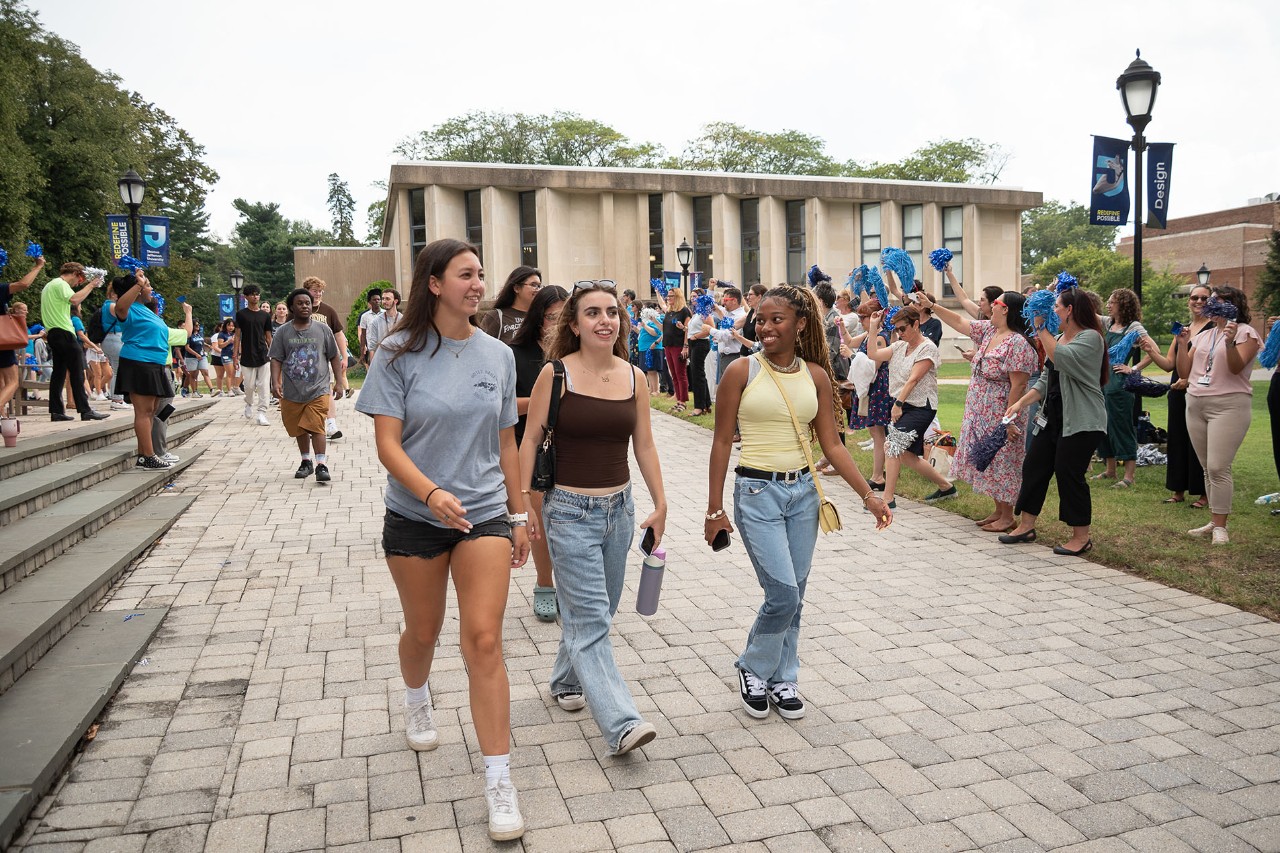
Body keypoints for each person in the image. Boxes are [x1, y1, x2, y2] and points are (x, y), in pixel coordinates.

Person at [355, 239, 530, 841]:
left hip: (483, 514)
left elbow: (506, 442)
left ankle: (499, 780)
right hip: (415, 514)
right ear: (434, 283)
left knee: (484, 640)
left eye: (481, 274)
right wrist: (430, 494)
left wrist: (518, 514)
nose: (478, 284)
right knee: (423, 631)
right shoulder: (397, 352)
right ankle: (416, 695)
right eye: (465, 274)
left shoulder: (498, 355)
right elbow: (387, 444)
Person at [705, 285, 891, 720]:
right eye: (761, 320)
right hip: (757, 494)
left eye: (777, 319)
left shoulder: (817, 375)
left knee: (796, 594)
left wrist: (869, 495)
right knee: (783, 593)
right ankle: (754, 667)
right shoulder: (741, 371)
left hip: (804, 495)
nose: (765, 327)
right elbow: (720, 443)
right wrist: (714, 509)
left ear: (801, 324)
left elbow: (833, 445)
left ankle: (783, 676)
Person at [519, 279, 667, 757]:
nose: (605, 320)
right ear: (575, 325)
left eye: (611, 312)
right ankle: (622, 723)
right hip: (568, 512)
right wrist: (524, 505)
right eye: (593, 313)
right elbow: (529, 440)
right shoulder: (555, 374)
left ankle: (566, 679)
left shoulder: (634, 377)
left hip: (619, 511)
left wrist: (660, 503)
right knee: (590, 618)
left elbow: (644, 444)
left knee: (599, 611)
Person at [1000, 287, 1108, 555]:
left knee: (1069, 474)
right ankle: (1026, 526)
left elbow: (1062, 359)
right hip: (1052, 418)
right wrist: (1020, 403)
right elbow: (1046, 381)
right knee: (1034, 467)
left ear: (1070, 310)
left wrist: (1040, 327)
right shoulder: (1057, 338)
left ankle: (1081, 537)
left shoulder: (1091, 338)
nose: (1053, 311)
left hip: (1082, 420)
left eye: (1057, 306)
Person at [922, 291, 1036, 531]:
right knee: (987, 461)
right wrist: (933, 305)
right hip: (980, 413)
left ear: (1006, 309)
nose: (991, 305)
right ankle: (998, 510)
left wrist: (1008, 420)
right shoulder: (989, 330)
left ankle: (1008, 516)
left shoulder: (1018, 342)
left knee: (1002, 462)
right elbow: (959, 321)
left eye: (996, 302)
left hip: (1001, 414)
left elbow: (1018, 385)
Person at [1176, 287, 1262, 545]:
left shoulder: (1246, 333)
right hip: (1196, 403)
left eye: (1216, 301)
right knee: (1207, 467)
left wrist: (1229, 341)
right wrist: (1182, 344)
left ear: (1232, 305)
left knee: (1218, 467)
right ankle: (1214, 521)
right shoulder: (1204, 335)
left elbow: (1236, 368)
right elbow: (1184, 372)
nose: (1209, 305)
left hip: (1229, 405)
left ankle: (1221, 528)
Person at [508, 285, 568, 622]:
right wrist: (544, 400)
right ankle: (545, 583)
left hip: (573, 447)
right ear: (537, 318)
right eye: (551, 317)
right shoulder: (515, 354)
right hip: (529, 445)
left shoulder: (579, 352)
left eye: (564, 317)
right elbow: (503, 406)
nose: (557, 325)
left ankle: (575, 586)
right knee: (540, 521)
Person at [865, 305, 957, 508]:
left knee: (892, 446)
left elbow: (913, 379)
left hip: (920, 406)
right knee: (906, 456)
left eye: (903, 328)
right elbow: (872, 354)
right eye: (896, 329)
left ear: (916, 324)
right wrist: (873, 327)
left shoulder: (927, 348)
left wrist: (897, 404)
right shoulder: (899, 346)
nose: (899, 333)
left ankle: (888, 499)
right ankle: (946, 487)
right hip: (902, 404)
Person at [1135, 285, 1212, 505]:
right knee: (1177, 439)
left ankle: (1204, 492)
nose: (1199, 301)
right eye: (1194, 297)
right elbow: (1169, 364)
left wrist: (1190, 379)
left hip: (1200, 391)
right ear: (1188, 301)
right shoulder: (1182, 329)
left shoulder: (1213, 329)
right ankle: (1178, 490)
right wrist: (1150, 350)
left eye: (1204, 298)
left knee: (1199, 442)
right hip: (1177, 392)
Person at [111, 270, 193, 469]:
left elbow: (181, 334)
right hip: (139, 362)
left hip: (153, 364)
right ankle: (148, 456)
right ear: (137, 289)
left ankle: (145, 455)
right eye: (148, 285)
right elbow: (120, 306)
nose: (151, 288)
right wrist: (139, 284)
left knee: (150, 412)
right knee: (144, 411)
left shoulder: (145, 310)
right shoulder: (127, 309)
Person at [270, 289, 343, 482]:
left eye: (307, 303)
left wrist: (339, 382)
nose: (304, 306)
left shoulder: (323, 329)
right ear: (292, 307)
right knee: (299, 428)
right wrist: (275, 382)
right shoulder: (283, 332)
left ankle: (321, 464)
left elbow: (334, 356)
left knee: (316, 425)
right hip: (292, 390)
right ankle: (306, 461)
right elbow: (276, 358)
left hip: (318, 388)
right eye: (300, 303)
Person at [41, 262, 108, 422]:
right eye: (80, 279)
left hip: (53, 332)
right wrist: (91, 285)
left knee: (58, 373)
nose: (78, 283)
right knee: (77, 372)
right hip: (64, 332)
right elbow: (75, 299)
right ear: (74, 274)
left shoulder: (49, 286)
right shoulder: (61, 284)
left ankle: (56, 411)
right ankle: (85, 410)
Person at [1094, 288, 1148, 488]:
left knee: (1121, 427)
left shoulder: (1134, 327)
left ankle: (1129, 476)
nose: (1108, 305)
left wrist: (1133, 369)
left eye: (1112, 302)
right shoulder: (1109, 323)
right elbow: (1089, 312)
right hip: (1103, 383)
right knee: (1105, 426)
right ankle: (1110, 470)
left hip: (1119, 385)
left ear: (1124, 305)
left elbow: (1152, 351)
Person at [846, 298, 892, 488]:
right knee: (875, 431)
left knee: (878, 432)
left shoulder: (880, 337)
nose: (861, 321)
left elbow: (874, 365)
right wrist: (841, 328)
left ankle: (878, 476)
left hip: (878, 386)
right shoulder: (869, 334)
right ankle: (880, 473)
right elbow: (849, 341)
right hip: (872, 385)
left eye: (863, 317)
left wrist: (851, 355)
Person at [302, 277, 349, 437]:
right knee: (307, 392)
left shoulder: (328, 310)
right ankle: (311, 424)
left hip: (324, 358)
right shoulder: (297, 310)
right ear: (307, 291)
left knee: (326, 390)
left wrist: (344, 357)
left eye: (320, 291)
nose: (318, 294)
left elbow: (339, 334)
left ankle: (331, 425)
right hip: (303, 359)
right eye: (315, 291)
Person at [1, 255, 45, 416]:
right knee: (12, 381)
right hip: (2, 341)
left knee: (1, 382)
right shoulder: (1, 289)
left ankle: (3, 415)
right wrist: (38, 266)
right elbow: (23, 284)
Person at [234, 284, 273, 426]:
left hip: (263, 353)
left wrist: (274, 353)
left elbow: (268, 336)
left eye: (257, 294)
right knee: (249, 385)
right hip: (247, 354)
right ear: (246, 297)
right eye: (252, 294)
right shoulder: (241, 314)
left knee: (264, 385)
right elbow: (237, 336)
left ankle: (262, 412)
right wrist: (235, 355)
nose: (255, 297)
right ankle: (249, 402)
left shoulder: (265, 315)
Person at [480, 265, 541, 344]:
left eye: (539, 286)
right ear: (517, 288)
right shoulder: (497, 317)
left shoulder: (541, 316)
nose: (538, 290)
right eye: (533, 285)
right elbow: (482, 346)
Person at [662, 287, 692, 412]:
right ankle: (678, 399)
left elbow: (688, 330)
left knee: (681, 374)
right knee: (673, 374)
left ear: (677, 297)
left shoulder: (684, 311)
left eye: (671, 296)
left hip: (678, 345)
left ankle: (683, 401)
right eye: (668, 296)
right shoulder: (669, 311)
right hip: (668, 345)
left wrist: (685, 346)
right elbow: (664, 328)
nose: (668, 298)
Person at [710, 287, 748, 383]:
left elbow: (729, 335)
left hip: (734, 356)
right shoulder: (726, 312)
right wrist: (711, 288)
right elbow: (711, 305)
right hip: (723, 356)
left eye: (726, 300)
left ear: (734, 301)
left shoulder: (740, 316)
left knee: (731, 385)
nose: (723, 302)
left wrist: (709, 330)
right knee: (723, 385)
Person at [684, 291, 713, 416]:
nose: (692, 298)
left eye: (695, 296)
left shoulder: (705, 312)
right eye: (691, 296)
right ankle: (706, 404)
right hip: (693, 343)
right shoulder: (696, 312)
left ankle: (699, 407)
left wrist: (696, 336)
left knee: (697, 375)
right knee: (698, 374)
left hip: (700, 343)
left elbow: (711, 328)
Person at [367, 288, 401, 360]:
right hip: (382, 360)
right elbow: (372, 347)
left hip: (400, 359)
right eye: (383, 299)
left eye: (387, 299)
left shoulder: (403, 320)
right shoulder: (376, 322)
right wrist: (373, 365)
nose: (384, 301)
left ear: (395, 301)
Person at [637, 301, 663, 396]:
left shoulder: (655, 320)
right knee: (648, 370)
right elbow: (643, 333)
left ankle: (656, 390)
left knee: (652, 370)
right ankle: (651, 389)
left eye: (644, 308)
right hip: (644, 348)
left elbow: (655, 333)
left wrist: (644, 325)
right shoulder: (647, 321)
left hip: (652, 347)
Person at [183, 319, 213, 397]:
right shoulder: (189, 335)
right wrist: (196, 354)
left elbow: (201, 342)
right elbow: (187, 347)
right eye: (196, 325)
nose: (198, 326)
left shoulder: (199, 334)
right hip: (191, 357)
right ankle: (194, 391)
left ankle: (212, 390)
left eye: (198, 325)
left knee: (205, 372)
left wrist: (207, 345)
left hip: (202, 356)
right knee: (193, 375)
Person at [357, 287, 383, 365]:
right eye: (374, 300)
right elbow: (363, 335)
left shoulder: (385, 314)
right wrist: (362, 353)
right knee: (373, 368)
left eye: (378, 299)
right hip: (371, 349)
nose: (377, 301)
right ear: (370, 302)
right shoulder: (365, 316)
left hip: (384, 348)